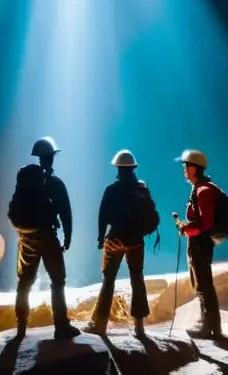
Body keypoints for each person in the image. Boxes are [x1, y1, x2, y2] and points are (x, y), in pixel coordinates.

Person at [9, 137, 81, 340]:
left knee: (24, 282)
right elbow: (65, 212)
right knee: (58, 281)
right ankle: (61, 327)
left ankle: (21, 328)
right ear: (51, 158)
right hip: (48, 237)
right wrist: (68, 237)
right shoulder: (55, 183)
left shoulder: (23, 182)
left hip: (26, 238)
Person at [84, 150, 155, 337]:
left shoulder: (112, 190)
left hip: (114, 241)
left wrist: (101, 239)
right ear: (133, 168)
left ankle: (99, 325)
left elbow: (102, 217)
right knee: (137, 278)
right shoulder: (142, 189)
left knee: (108, 280)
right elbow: (151, 217)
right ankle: (139, 328)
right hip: (136, 242)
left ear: (118, 168)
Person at [173, 149, 223, 339]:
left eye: (186, 166)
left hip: (200, 244)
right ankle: (210, 325)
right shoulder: (199, 189)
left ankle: (209, 326)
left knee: (204, 285)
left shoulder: (203, 191)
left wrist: (186, 229)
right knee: (203, 283)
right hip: (199, 243)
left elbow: (205, 224)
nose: (184, 169)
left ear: (195, 168)